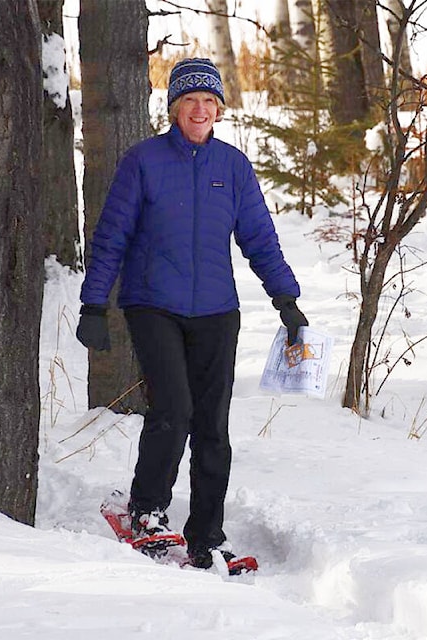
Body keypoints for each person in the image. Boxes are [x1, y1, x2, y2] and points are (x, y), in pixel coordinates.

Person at [75, 58, 308, 569]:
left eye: (209, 102)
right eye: (190, 101)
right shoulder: (144, 162)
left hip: (218, 312)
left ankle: (206, 535)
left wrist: (286, 300)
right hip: (153, 304)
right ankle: (146, 511)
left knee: (213, 427)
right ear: (175, 108)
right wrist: (94, 303)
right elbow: (111, 237)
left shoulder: (233, 167)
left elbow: (259, 239)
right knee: (174, 409)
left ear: (219, 110)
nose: (200, 109)